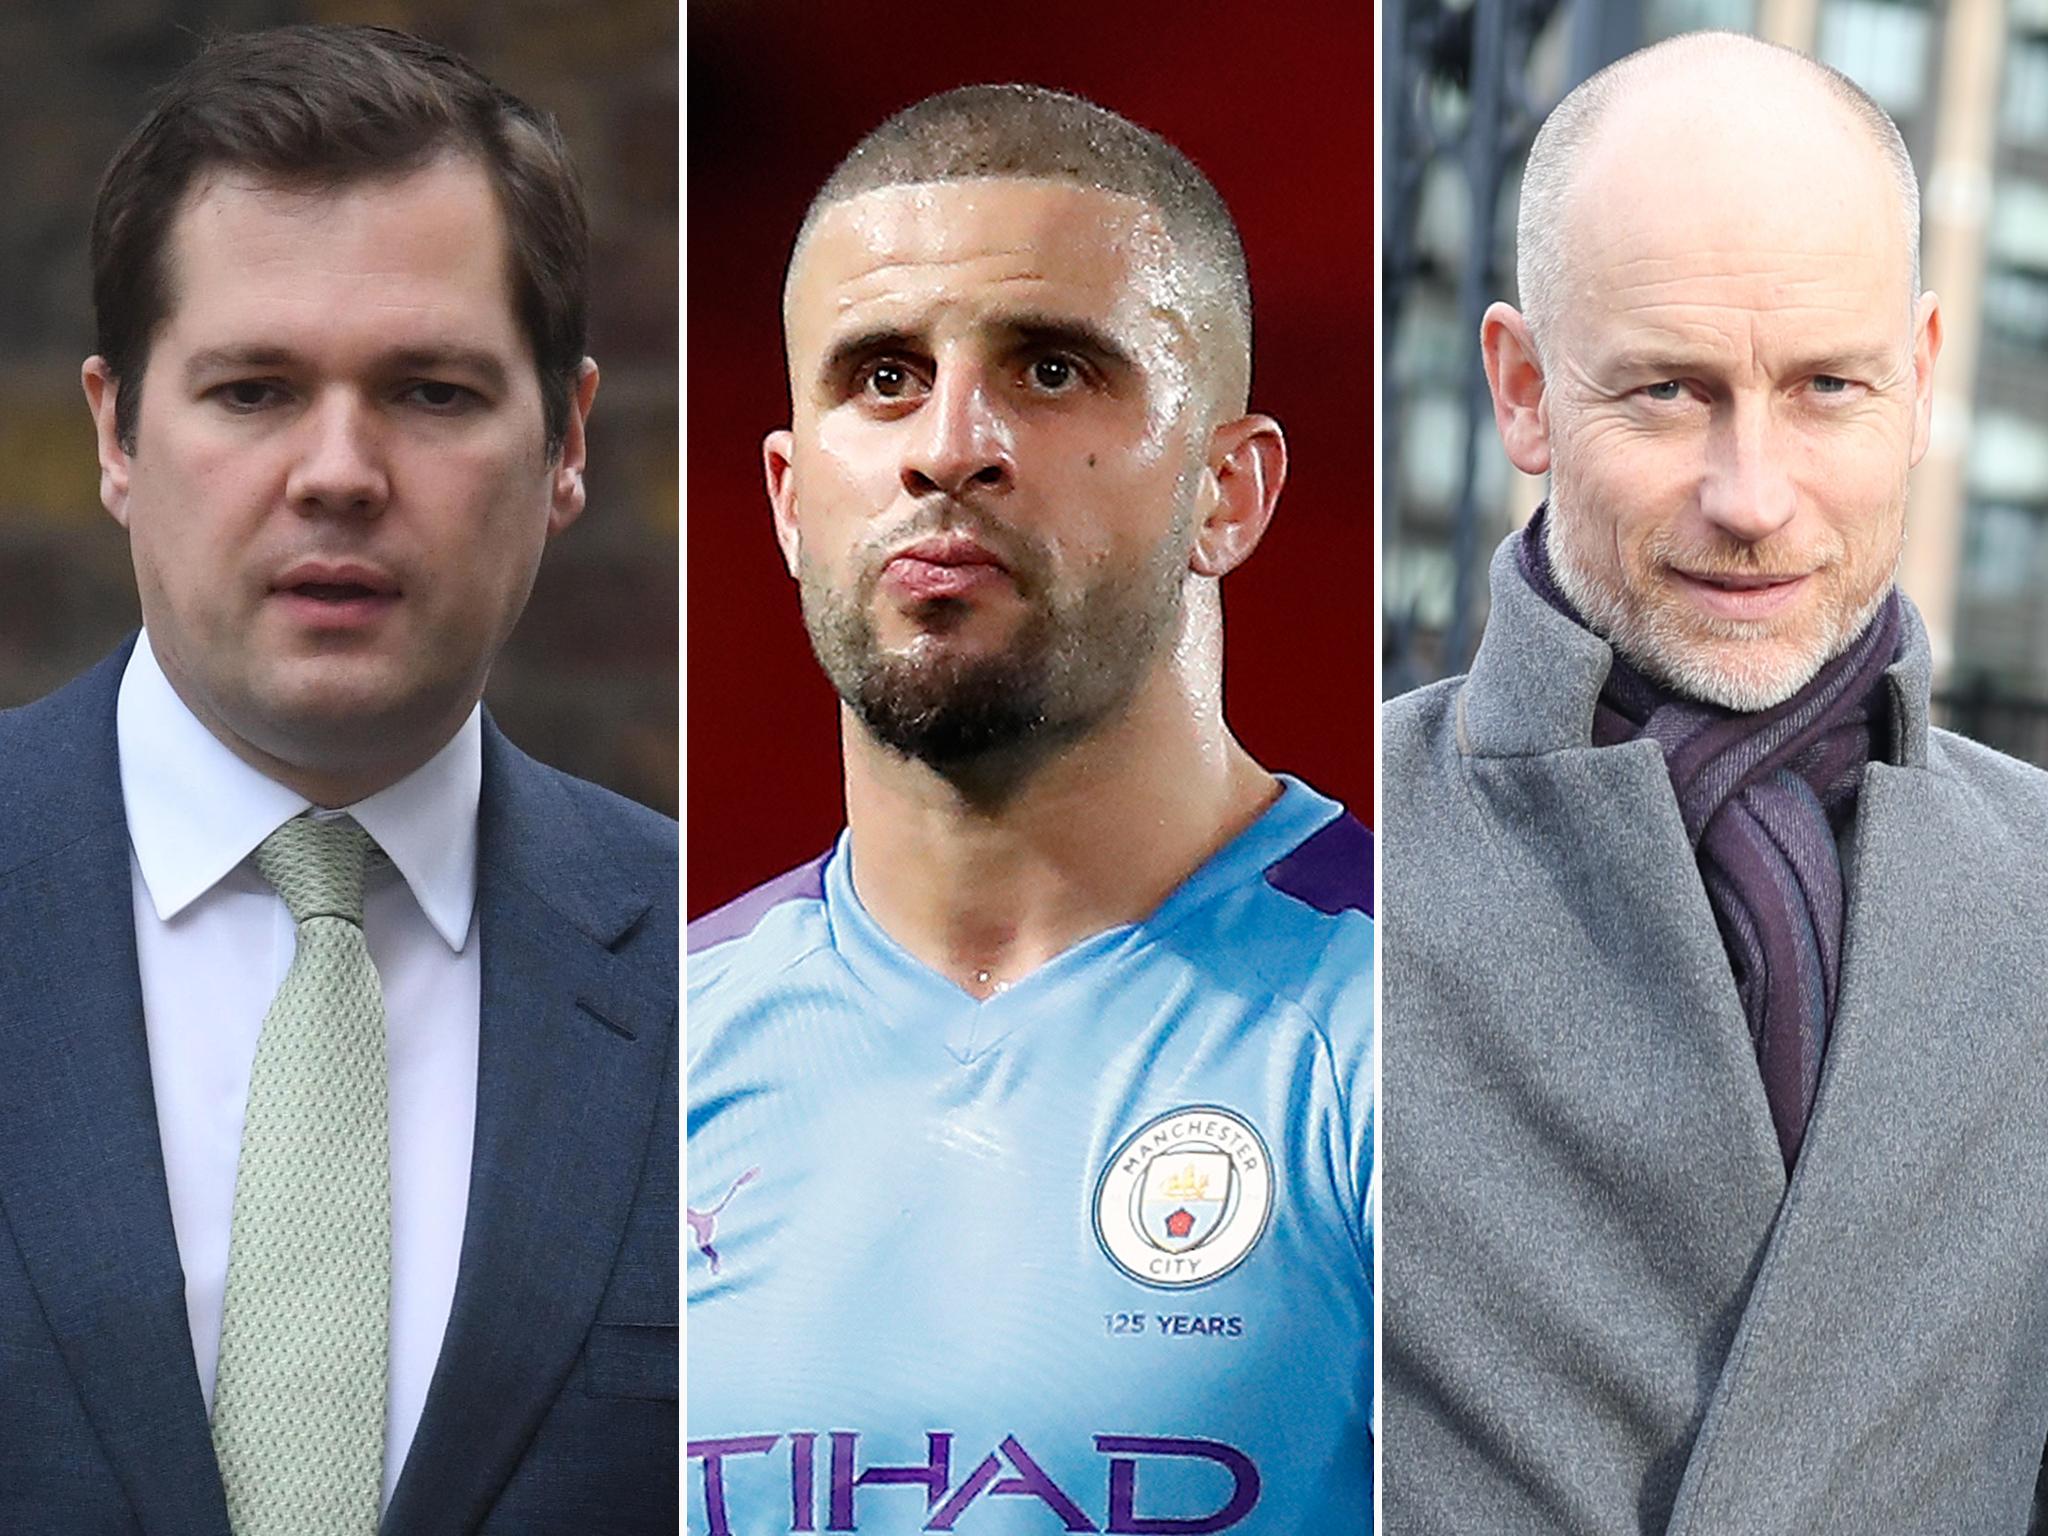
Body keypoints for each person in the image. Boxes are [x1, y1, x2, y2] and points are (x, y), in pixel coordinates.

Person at [0, 26, 676, 1535]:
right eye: (252, 390)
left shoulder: (729, 975)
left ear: (568, 440)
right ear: (115, 430)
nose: (339, 470)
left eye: (432, 392)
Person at [1382, 30, 2048, 1534]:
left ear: (1925, 377)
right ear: (1524, 390)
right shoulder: (1295, 873)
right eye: (1671, 394)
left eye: (1826, 386)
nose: (1753, 498)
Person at [686, 86, 1372, 1536]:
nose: (950, 445)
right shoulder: (653, 1052)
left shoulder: (1414, 1030)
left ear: (1229, 493)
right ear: (788, 491)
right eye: (880, 377)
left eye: (1052, 371)